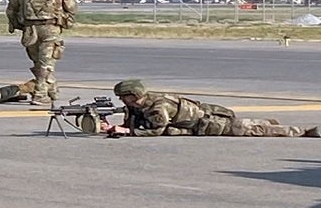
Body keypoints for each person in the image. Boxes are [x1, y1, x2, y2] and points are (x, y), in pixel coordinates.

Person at [102, 79, 320, 137]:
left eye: (124, 97)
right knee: (251, 125)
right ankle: (266, 123)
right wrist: (113, 127)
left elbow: (155, 129)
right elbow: (134, 121)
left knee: (253, 130)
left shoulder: (158, 105)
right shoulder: (140, 105)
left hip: (210, 124)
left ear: (134, 95)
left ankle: (306, 132)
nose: (122, 100)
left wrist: (128, 132)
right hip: (201, 121)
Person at [6, 0, 78, 106]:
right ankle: (40, 94)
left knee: (39, 62)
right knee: (46, 63)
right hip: (50, 29)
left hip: (30, 30)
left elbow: (10, 10)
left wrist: (18, 25)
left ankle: (51, 88)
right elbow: (72, 7)